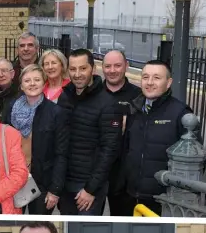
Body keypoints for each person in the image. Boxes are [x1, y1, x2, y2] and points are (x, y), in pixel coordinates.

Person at [120, 60, 194, 216]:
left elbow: (194, 159)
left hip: (163, 200)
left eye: (157, 78)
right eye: (145, 77)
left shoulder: (181, 113)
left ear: (169, 83)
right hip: (131, 197)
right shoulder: (135, 109)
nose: (150, 82)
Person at [56, 49, 122, 216]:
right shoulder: (65, 97)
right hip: (65, 184)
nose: (77, 74)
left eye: (83, 68)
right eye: (73, 69)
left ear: (93, 69)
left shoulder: (108, 104)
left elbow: (109, 150)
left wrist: (90, 189)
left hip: (88, 188)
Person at [1, 65, 69, 215]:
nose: (32, 84)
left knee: (38, 226)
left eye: (37, 80)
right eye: (27, 80)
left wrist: (55, 190)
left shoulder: (56, 113)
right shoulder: (11, 108)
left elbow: (61, 154)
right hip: (13, 180)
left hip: (42, 183)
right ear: (21, 86)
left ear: (44, 83)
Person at [101, 50, 142, 216]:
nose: (112, 70)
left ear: (126, 66)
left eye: (117, 65)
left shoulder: (139, 96)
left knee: (122, 216)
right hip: (96, 168)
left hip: (124, 173)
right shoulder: (93, 93)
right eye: (108, 66)